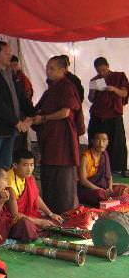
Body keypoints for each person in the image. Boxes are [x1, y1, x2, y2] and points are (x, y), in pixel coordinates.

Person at [32, 56, 82, 214]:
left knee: (63, 180)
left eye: (52, 68)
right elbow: (39, 109)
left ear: (63, 70)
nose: (48, 71)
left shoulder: (66, 87)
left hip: (62, 141)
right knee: (49, 176)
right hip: (51, 140)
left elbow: (65, 112)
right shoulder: (53, 89)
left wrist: (44, 118)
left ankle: (66, 213)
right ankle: (51, 211)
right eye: (47, 67)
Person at [0, 41, 34, 167]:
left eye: (10, 52)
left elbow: (21, 97)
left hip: (10, 130)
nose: (10, 55)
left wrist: (33, 114)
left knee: (5, 166)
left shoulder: (12, 74)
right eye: (6, 53)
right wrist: (16, 122)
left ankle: (3, 187)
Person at [88, 57, 129, 176]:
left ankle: (118, 168)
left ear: (108, 66)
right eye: (99, 71)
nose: (101, 73)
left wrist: (113, 89)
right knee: (96, 141)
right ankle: (95, 167)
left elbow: (124, 93)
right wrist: (93, 91)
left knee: (117, 141)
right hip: (98, 114)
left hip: (114, 114)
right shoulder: (94, 80)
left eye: (104, 70)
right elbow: (90, 99)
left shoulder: (119, 76)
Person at [6, 149, 63, 229]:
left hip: (27, 215)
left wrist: (50, 214)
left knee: (53, 222)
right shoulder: (10, 184)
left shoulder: (29, 177)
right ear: (15, 165)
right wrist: (39, 222)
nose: (29, 169)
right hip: (12, 218)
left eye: (31, 165)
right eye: (25, 165)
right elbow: (15, 215)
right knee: (28, 227)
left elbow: (36, 197)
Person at [78, 131, 129, 206]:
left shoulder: (105, 154)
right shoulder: (85, 157)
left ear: (108, 142)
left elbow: (108, 175)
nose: (101, 143)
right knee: (99, 194)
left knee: (123, 188)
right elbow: (83, 181)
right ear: (92, 141)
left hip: (103, 187)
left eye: (104, 140)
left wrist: (110, 188)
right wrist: (99, 189)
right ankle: (108, 198)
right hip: (87, 189)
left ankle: (109, 197)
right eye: (98, 140)